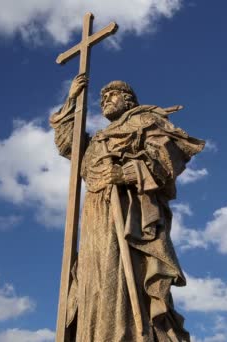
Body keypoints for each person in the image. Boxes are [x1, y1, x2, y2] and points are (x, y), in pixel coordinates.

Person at [50, 74, 205, 342]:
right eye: (101, 98)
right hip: (94, 216)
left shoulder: (145, 122)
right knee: (93, 281)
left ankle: (127, 335)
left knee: (122, 276)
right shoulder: (98, 140)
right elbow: (68, 145)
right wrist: (73, 98)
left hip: (128, 215)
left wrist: (125, 174)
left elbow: (168, 162)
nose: (105, 100)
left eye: (111, 95)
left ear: (128, 99)